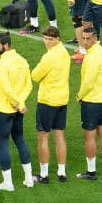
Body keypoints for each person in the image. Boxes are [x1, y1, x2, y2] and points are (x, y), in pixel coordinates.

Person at [0, 32, 34, 190]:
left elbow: (6, 87)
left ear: (6, 45)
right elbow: (28, 85)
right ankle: (29, 179)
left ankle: (8, 183)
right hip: (17, 110)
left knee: (3, 144)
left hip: (4, 110)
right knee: (20, 140)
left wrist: (16, 103)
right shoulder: (22, 61)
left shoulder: (1, 64)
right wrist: (21, 103)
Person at [31, 26, 71, 183]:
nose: (47, 42)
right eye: (45, 38)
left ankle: (44, 174)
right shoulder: (64, 52)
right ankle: (61, 172)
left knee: (43, 138)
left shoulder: (49, 57)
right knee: (60, 135)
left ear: (57, 39)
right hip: (62, 100)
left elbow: (35, 76)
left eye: (50, 39)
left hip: (48, 101)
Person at [75, 28, 102, 179]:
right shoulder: (100, 50)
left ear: (95, 38)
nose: (85, 42)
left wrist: (79, 96)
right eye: (83, 38)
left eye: (88, 39)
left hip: (92, 101)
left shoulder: (91, 58)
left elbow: (88, 83)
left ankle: (91, 171)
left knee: (89, 136)